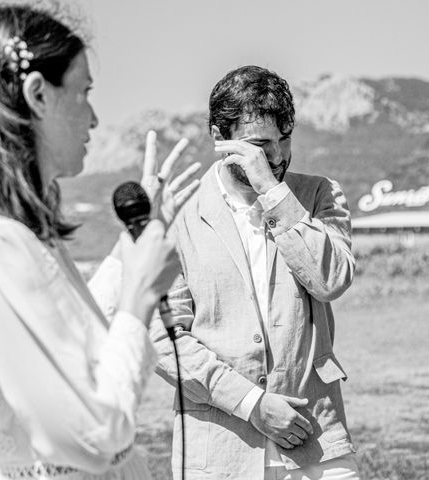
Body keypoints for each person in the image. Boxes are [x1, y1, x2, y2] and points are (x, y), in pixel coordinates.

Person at [0, 5, 199, 480]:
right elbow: (94, 435)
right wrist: (139, 297)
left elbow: (70, 338)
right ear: (38, 95)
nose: (95, 118)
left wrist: (133, 244)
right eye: (84, 92)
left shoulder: (16, 235)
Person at [152, 65, 360, 479]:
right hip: (217, 451)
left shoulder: (319, 195)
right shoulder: (179, 214)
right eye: (260, 144)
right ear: (218, 138)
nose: (278, 157)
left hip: (318, 443)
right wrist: (251, 403)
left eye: (284, 140)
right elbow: (164, 339)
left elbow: (330, 279)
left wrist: (273, 193)